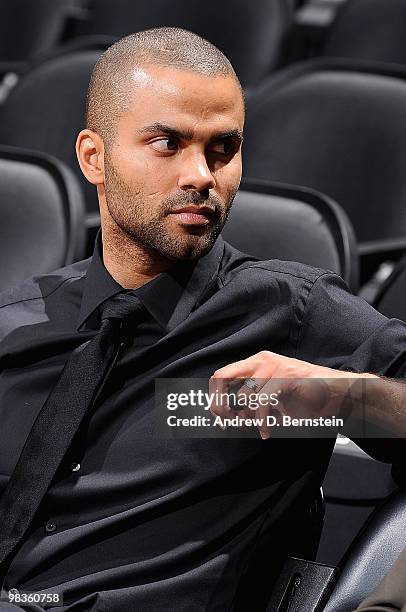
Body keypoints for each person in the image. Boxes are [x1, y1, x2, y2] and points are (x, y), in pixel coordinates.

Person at [0, 27, 405, 611]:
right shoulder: (19, 324)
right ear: (94, 156)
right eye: (167, 143)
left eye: (223, 149)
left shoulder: (287, 309)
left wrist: (345, 401)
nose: (201, 176)